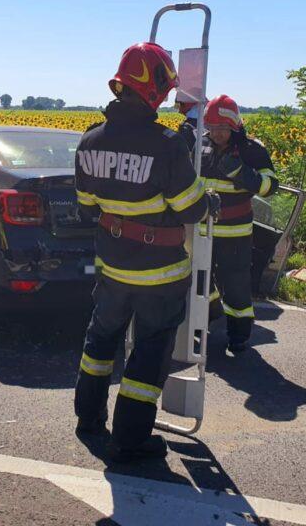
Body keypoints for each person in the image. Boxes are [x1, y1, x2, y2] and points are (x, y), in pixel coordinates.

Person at [74, 42, 214, 463]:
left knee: (100, 343)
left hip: (112, 268)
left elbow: (86, 208)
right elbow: (192, 207)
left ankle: (89, 419)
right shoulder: (166, 145)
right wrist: (209, 201)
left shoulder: (90, 141)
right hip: (160, 275)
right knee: (149, 353)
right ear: (152, 87)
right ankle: (130, 438)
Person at [201, 95, 278, 353]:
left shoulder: (251, 150)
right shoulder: (201, 146)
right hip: (202, 231)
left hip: (236, 233)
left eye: (222, 129)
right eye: (211, 128)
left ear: (234, 126)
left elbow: (270, 187)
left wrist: (241, 173)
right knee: (198, 281)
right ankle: (208, 316)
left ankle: (239, 336)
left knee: (236, 287)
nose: (216, 134)